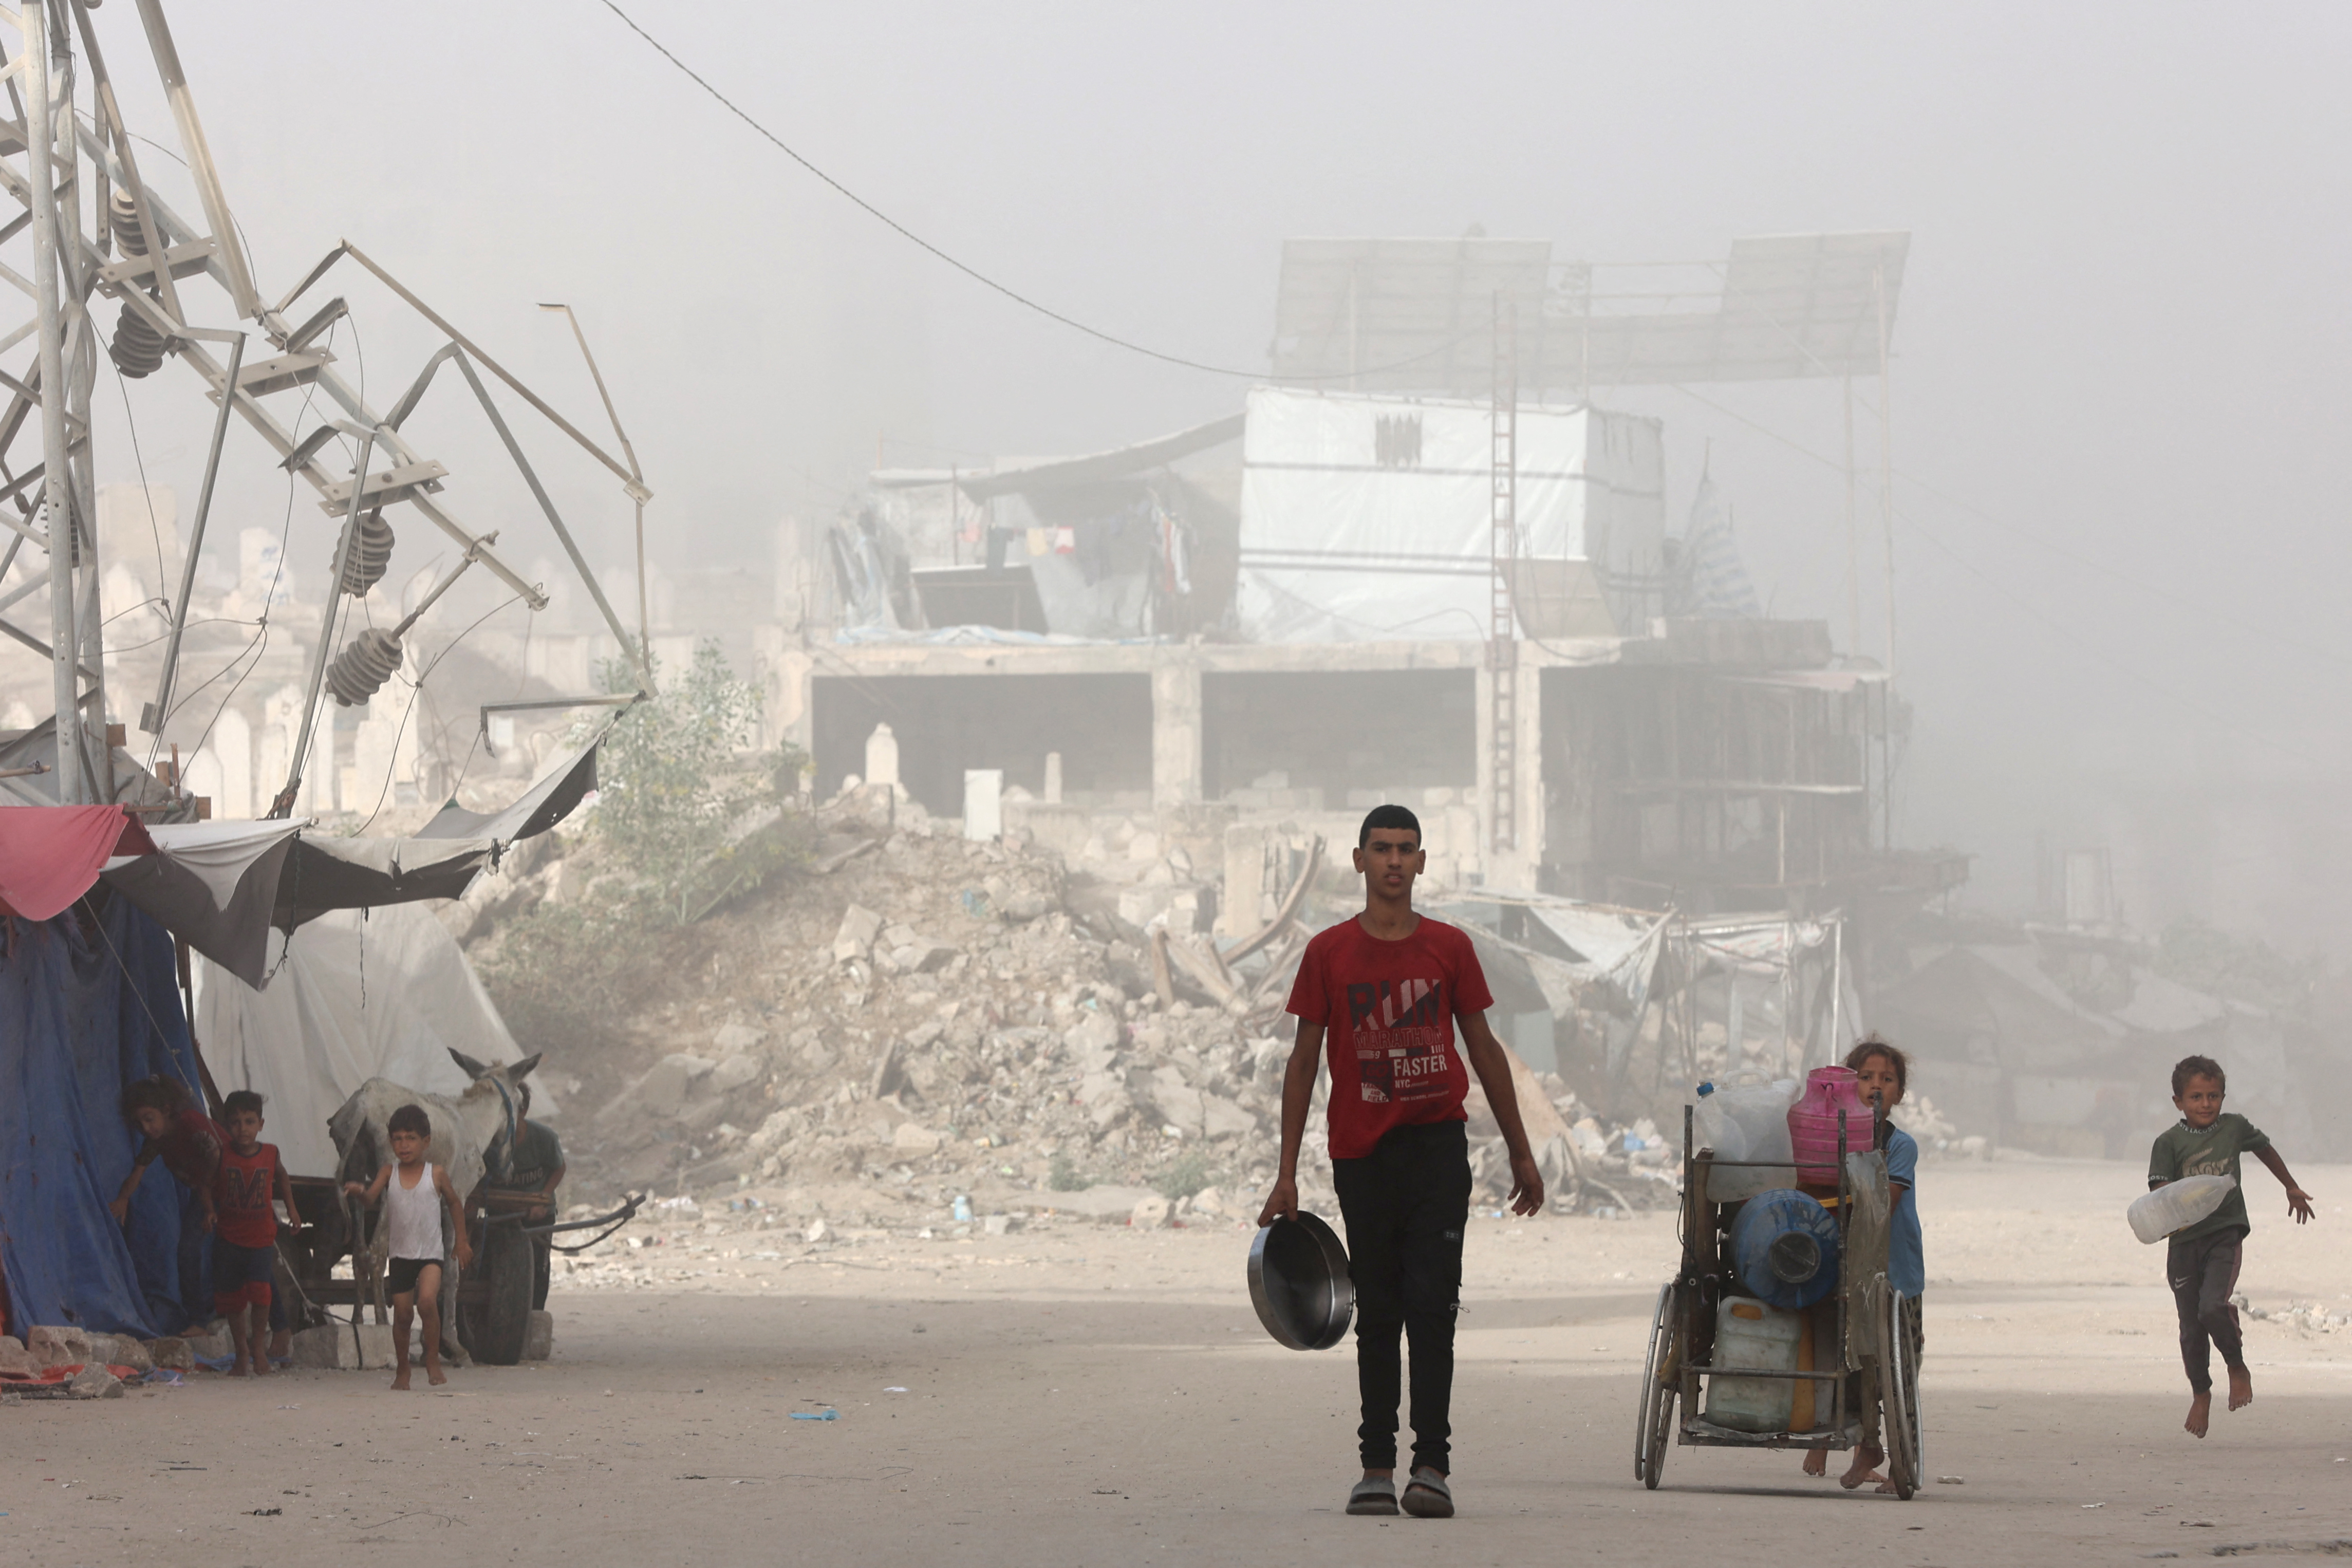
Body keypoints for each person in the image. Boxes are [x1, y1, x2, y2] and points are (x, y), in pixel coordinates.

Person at [1258, 804, 1544, 1521]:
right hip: (1362, 1156)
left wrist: (1520, 1148)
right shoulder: (1328, 953)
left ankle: (1432, 1466)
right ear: (1358, 860)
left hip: (1437, 1150)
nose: (1393, 860)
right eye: (1381, 848)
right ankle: (1376, 1467)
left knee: (1433, 1309)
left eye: (1406, 849)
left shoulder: (1449, 947)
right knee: (1379, 1311)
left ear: (1421, 861)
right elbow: (1302, 1063)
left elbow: (1484, 1050)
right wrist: (1286, 1172)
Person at [2148, 1054, 2313, 1439]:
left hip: (2225, 1233)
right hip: (2184, 1241)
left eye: (2214, 1096)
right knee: (2191, 1328)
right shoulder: (2167, 1143)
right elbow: (2159, 1192)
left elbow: (2265, 1149)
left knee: (2212, 1307)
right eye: (2196, 1097)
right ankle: (2201, 1392)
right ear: (2178, 1101)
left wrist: (2290, 1186)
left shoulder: (2234, 1127)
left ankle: (2236, 1365)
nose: (2206, 1104)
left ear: (2223, 1096)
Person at [1801, 1036, 1924, 1491]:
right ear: (1846, 1088)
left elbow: (1882, 1206)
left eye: (1887, 1080)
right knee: (1852, 1362)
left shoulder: (1901, 1146)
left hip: (1898, 1274)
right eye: (1866, 1078)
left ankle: (1902, 1465)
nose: (1876, 1086)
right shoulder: (1825, 1138)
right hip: (1846, 1271)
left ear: (1900, 1093)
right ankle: (1863, 1446)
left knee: (1900, 1369)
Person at [342, 1104, 474, 1390]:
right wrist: (361, 1192)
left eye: (411, 1139)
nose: (404, 1145)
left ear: (426, 1142)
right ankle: (403, 1368)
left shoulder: (436, 1174)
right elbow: (371, 1199)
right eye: (398, 1139)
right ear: (391, 1142)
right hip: (400, 1255)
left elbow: (454, 1203)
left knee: (426, 1302)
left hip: (430, 1255)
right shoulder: (388, 1173)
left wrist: (461, 1240)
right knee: (403, 1316)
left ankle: (432, 1358)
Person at [109, 1076, 223, 1332]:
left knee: (244, 1250)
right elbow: (138, 1171)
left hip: (231, 1189)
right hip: (205, 1195)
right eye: (140, 1124)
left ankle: (278, 1322)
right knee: (187, 1252)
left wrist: (208, 1197)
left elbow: (216, 1154)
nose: (146, 1128)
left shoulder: (191, 1123)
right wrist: (123, 1198)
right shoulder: (157, 1140)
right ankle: (198, 1320)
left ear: (167, 1110)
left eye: (149, 1119)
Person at [212, 1090, 297, 1378]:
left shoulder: (271, 1153)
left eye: (250, 1122)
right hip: (229, 1238)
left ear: (261, 1124)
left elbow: (282, 1177)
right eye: (236, 1123)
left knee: (261, 1294)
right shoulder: (222, 1154)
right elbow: (205, 1183)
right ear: (227, 1125)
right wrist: (208, 1210)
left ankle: (259, 1348)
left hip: (261, 1238)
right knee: (233, 1298)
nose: (243, 1129)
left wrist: (292, 1210)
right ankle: (241, 1353)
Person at [505, 1082, 567, 1311]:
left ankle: (535, 1315)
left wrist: (544, 1197)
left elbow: (559, 1168)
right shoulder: (493, 1141)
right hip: (504, 1214)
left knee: (539, 1267)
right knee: (501, 1266)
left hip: (539, 1214)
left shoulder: (544, 1138)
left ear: (524, 1111)